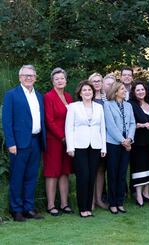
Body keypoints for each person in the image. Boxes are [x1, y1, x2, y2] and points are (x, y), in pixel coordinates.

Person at [2, 65, 46, 222]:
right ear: (20, 77)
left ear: (35, 77)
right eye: (26, 75)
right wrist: (11, 143)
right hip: (19, 144)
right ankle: (16, 210)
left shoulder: (39, 96)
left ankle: (29, 208)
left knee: (31, 177)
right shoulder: (12, 95)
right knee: (18, 177)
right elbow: (7, 122)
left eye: (32, 75)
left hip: (36, 141)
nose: (29, 78)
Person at [65, 80, 106, 218]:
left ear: (93, 92)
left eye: (89, 90)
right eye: (84, 90)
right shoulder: (73, 107)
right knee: (83, 177)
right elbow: (69, 128)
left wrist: (103, 147)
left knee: (92, 176)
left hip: (95, 146)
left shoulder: (99, 107)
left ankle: (89, 208)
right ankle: (82, 208)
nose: (87, 92)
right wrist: (70, 147)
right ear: (80, 93)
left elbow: (102, 128)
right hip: (79, 146)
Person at [43, 67, 73, 216]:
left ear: (65, 80)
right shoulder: (48, 97)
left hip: (68, 140)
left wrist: (70, 138)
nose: (60, 81)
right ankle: (50, 205)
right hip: (54, 140)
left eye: (62, 78)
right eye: (57, 79)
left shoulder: (68, 96)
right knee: (52, 172)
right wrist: (62, 137)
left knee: (64, 171)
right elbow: (49, 121)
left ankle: (64, 203)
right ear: (52, 82)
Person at [104, 82, 136, 214]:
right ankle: (112, 203)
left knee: (122, 174)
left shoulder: (128, 105)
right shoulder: (108, 105)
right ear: (115, 91)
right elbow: (110, 126)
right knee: (112, 173)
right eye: (122, 89)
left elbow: (133, 123)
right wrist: (123, 141)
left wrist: (129, 139)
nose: (125, 91)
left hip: (126, 141)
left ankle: (120, 202)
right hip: (113, 143)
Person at [128, 81, 149, 207]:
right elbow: (128, 122)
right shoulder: (131, 104)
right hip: (138, 142)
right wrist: (141, 125)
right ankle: (138, 194)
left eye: (142, 89)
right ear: (134, 92)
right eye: (137, 90)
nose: (140, 92)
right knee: (139, 167)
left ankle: (146, 193)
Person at [89, 72, 108, 209]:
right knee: (91, 169)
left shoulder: (107, 98)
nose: (96, 83)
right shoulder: (86, 97)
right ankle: (89, 200)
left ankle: (99, 199)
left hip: (105, 137)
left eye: (99, 81)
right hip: (91, 137)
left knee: (101, 170)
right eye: (93, 81)